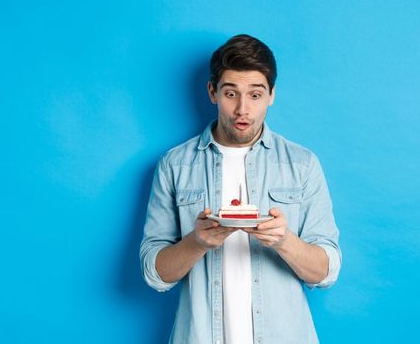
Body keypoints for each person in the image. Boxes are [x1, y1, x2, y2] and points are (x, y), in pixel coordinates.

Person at [140, 34, 341, 344]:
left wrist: (283, 240)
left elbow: (326, 272)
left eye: (256, 95)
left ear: (272, 95)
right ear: (212, 92)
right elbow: (155, 273)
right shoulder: (175, 165)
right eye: (231, 93)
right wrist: (198, 241)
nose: (242, 109)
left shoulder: (302, 164)